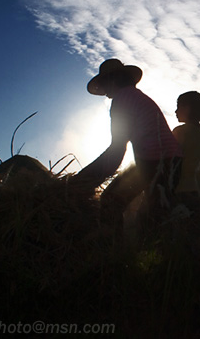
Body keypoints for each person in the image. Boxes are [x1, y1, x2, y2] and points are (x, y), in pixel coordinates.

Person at [70, 59, 182, 233]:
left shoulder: (121, 101)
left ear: (112, 81)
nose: (105, 92)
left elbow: (116, 150)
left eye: (104, 85)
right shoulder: (136, 96)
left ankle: (114, 255)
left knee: (111, 201)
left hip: (158, 163)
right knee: (152, 217)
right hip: (166, 161)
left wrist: (82, 180)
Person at [172, 91, 200, 213]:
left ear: (188, 108)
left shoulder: (180, 132)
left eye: (179, 106)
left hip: (180, 195)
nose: (176, 111)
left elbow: (169, 162)